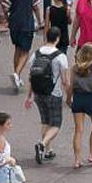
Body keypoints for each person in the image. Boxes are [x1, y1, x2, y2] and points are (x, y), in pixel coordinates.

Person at [23, 28, 70, 166]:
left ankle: (48, 150)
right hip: (53, 93)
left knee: (45, 121)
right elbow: (65, 81)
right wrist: (69, 97)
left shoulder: (36, 54)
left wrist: (29, 95)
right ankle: (42, 144)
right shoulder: (60, 56)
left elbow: (31, 76)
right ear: (58, 38)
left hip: (38, 93)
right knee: (56, 124)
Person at [3, 0, 43, 93]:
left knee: (17, 49)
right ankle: (17, 73)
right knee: (25, 51)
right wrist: (40, 21)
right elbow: (36, 7)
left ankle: (17, 77)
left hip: (14, 23)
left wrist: (7, 19)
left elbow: (5, 7)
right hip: (27, 23)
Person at [68, 44, 92, 168]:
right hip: (90, 99)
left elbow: (71, 85)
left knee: (78, 130)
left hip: (78, 99)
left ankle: (77, 160)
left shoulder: (74, 68)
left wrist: (69, 99)